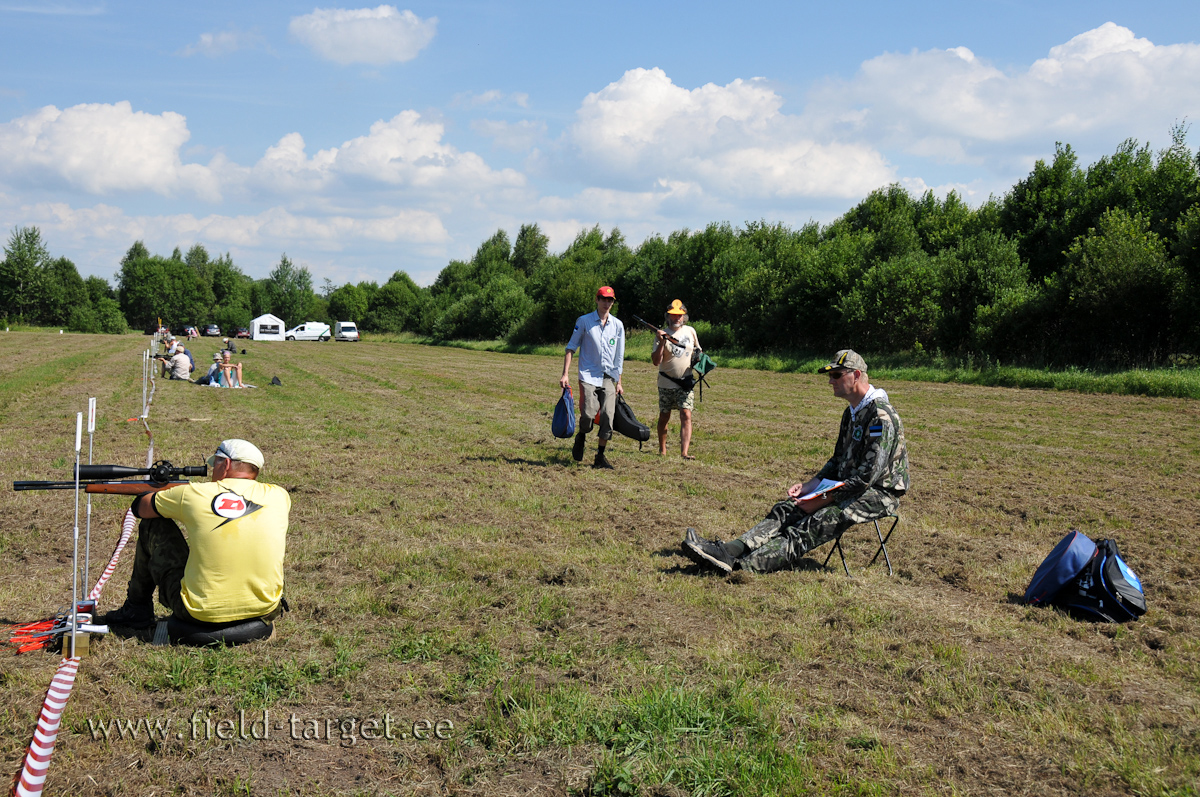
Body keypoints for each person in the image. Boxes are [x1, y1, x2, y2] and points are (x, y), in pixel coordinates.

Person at [682, 349, 909, 574]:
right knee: (787, 508)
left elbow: (867, 477)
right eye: (830, 376)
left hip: (880, 493)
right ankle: (729, 551)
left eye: (836, 375)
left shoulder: (880, 416)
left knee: (817, 521)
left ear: (856, 375)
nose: (830, 381)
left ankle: (742, 566)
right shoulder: (851, 412)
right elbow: (838, 459)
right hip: (847, 486)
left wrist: (822, 499)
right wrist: (811, 485)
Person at [101, 439, 291, 630]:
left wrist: (158, 491)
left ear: (225, 464)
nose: (211, 471)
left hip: (198, 612)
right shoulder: (279, 496)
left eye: (214, 463)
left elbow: (140, 508)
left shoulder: (192, 494)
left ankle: (136, 609)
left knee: (153, 525)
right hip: (265, 608)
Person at [560, 286, 625, 469]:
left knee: (608, 415)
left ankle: (600, 456)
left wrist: (619, 382)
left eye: (610, 300)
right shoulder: (584, 321)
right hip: (588, 375)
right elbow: (571, 348)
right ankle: (581, 435)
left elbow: (619, 357)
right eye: (603, 299)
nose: (606, 303)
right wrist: (565, 374)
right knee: (588, 414)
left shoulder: (618, 325)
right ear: (597, 300)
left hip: (608, 377)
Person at [651, 300, 702, 459]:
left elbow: (698, 351)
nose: (677, 318)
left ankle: (684, 453)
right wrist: (661, 341)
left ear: (684, 316)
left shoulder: (690, 331)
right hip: (666, 383)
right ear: (668, 316)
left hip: (685, 382)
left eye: (679, 315)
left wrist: (699, 360)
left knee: (686, 414)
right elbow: (655, 361)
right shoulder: (661, 334)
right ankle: (662, 450)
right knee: (664, 416)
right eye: (673, 315)